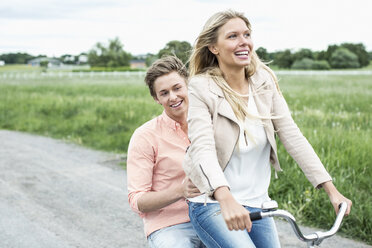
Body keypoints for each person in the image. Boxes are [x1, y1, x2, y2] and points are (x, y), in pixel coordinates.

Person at [183, 9, 352, 248]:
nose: (244, 42)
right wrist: (225, 197)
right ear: (214, 47)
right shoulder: (201, 87)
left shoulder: (264, 81)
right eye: (232, 36)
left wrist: (331, 190)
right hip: (214, 204)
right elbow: (202, 148)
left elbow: (293, 136)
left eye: (247, 34)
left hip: (258, 203)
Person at [127, 56, 205, 248]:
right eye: (164, 93)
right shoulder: (145, 136)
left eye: (177, 88)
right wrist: (180, 190)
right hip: (171, 226)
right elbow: (137, 200)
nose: (172, 97)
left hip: (214, 218)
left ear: (188, 86)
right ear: (156, 99)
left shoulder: (208, 123)